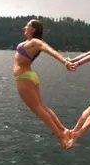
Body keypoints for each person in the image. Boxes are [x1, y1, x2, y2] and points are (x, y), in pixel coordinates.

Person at [14, 19, 76, 149]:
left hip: (25, 78)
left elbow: (48, 49)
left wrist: (64, 61)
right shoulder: (29, 42)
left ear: (34, 29)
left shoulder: (35, 42)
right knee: (42, 107)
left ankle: (61, 138)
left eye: (28, 25)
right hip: (29, 76)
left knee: (38, 109)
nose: (25, 27)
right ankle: (64, 130)